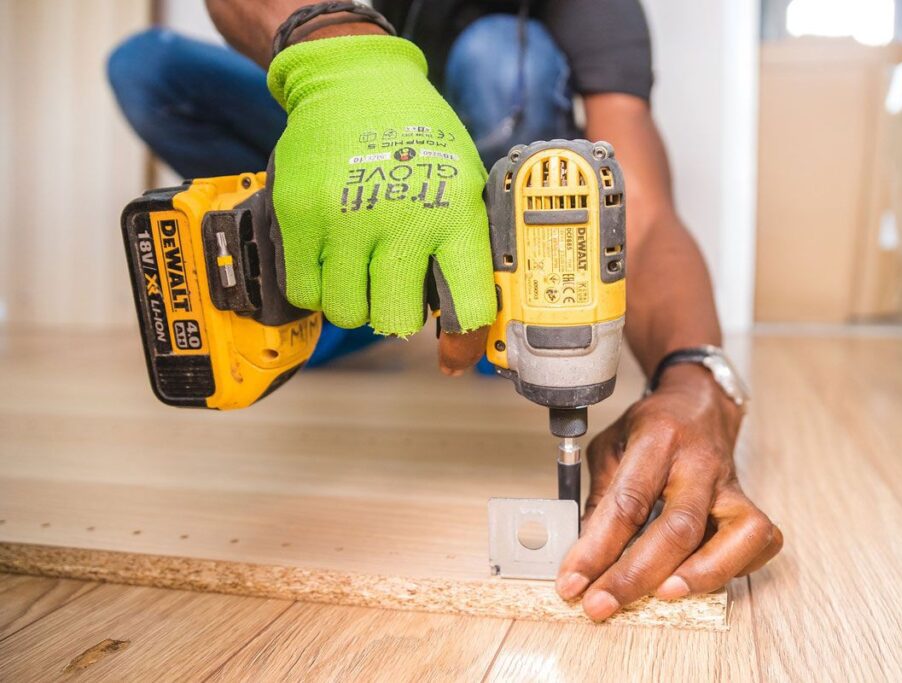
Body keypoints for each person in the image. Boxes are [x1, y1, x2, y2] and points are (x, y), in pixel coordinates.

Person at [107, 0, 782, 622]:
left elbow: (644, 209)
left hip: (487, 218)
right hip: (360, 155)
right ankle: (339, 284)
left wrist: (697, 375)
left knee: (500, 56)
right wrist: (343, 57)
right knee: (151, 67)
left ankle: (482, 307)